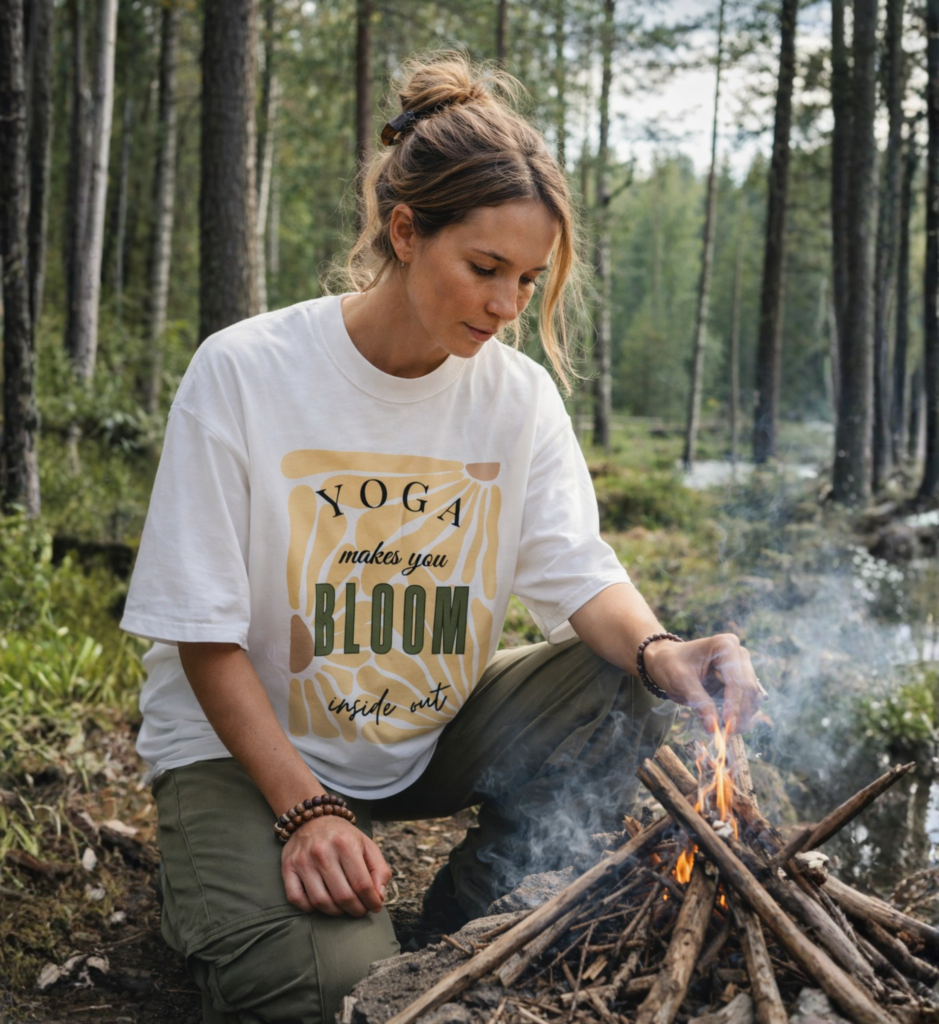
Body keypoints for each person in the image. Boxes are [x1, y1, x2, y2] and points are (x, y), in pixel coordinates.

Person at [121, 53, 762, 1024]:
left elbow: (576, 572)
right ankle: (225, 884)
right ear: (406, 231)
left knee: (620, 674)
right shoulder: (245, 373)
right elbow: (200, 634)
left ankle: (466, 918)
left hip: (423, 738)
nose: (508, 308)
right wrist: (305, 806)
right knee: (337, 995)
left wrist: (667, 648)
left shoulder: (518, 399)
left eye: (529, 278)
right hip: (242, 751)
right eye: (486, 269)